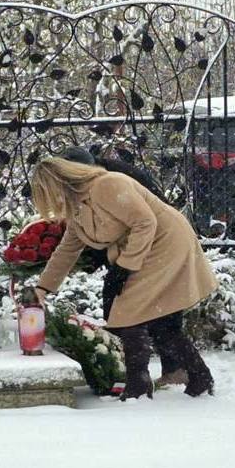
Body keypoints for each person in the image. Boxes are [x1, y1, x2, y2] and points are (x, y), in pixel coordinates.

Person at [31, 157, 218, 399]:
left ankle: (138, 385)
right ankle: (199, 375)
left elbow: (145, 222)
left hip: (165, 243)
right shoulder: (77, 208)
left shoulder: (107, 185)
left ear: (59, 185)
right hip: (141, 249)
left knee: (128, 315)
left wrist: (125, 267)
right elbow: (67, 251)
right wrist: (42, 288)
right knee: (160, 321)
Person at [63, 145, 188, 387]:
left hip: (156, 245)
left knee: (162, 309)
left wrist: (123, 264)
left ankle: (166, 371)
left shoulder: (115, 180)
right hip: (128, 248)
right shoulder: (85, 183)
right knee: (117, 303)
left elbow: (141, 222)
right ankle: (125, 370)